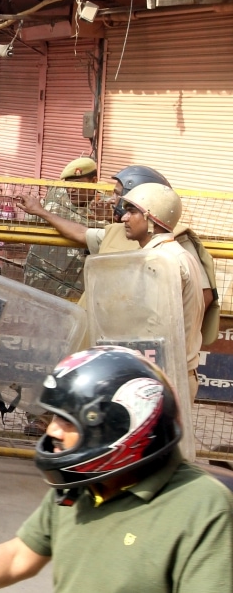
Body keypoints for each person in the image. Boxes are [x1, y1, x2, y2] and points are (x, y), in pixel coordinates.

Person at [0, 346, 233, 592]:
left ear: (121, 427)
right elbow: (20, 557)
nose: (52, 432)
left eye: (67, 421)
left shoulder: (201, 507)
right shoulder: (81, 484)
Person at [14, 165, 218, 339]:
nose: (111, 200)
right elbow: (81, 233)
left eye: (119, 194)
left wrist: (165, 339)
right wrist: (40, 211)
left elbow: (201, 297)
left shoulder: (177, 245)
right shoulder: (118, 233)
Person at [114, 184, 205, 456]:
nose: (123, 218)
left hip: (162, 378)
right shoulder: (177, 255)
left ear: (152, 220)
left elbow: (151, 330)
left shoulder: (161, 261)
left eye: (132, 211)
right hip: (172, 376)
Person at [21, 157, 99, 300]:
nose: (72, 190)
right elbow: (29, 236)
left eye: (78, 184)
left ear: (94, 182)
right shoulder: (53, 201)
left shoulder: (106, 211)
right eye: (68, 185)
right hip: (39, 283)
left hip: (76, 293)